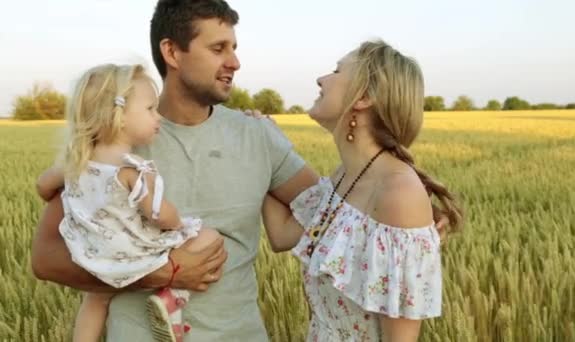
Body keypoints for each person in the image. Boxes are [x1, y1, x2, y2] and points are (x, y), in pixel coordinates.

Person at [31, 0, 319, 340]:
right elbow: (46, 259)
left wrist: (380, 163)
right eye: (218, 48)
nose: (235, 62)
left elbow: (324, 210)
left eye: (234, 48)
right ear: (172, 52)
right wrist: (164, 274)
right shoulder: (113, 138)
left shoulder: (257, 134)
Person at [261, 40, 463, 341]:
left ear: (364, 96)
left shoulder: (398, 193)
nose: (321, 79)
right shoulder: (345, 176)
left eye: (336, 71)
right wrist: (260, 144)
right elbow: (281, 235)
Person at [36, 63, 223, 342]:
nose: (157, 115)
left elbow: (42, 186)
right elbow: (158, 215)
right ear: (120, 116)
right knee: (209, 235)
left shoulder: (74, 164)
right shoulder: (131, 172)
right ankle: (171, 297)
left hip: (92, 254)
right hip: (131, 254)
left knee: (96, 301)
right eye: (149, 109)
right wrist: (178, 222)